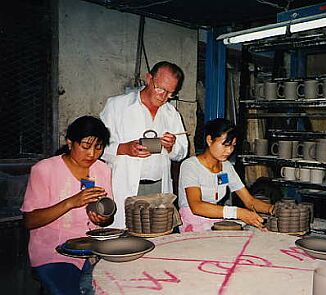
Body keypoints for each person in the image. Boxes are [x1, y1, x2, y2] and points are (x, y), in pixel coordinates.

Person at [21, 116, 113, 294]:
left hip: (91, 251)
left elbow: (106, 219)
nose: (92, 154)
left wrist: (103, 219)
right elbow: (29, 221)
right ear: (70, 143)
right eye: (86, 146)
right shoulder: (45, 169)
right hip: (53, 252)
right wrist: (72, 202)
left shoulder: (103, 169)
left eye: (98, 147)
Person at [100, 61, 188, 228]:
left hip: (158, 187)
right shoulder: (117, 106)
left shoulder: (171, 114)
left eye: (170, 93)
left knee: (156, 236)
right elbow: (98, 147)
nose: (163, 97)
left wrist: (171, 147)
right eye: (160, 89)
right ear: (149, 78)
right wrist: (124, 148)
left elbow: (182, 152)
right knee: (124, 236)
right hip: (126, 186)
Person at [178, 118, 274, 232]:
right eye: (225, 145)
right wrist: (238, 212)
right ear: (209, 140)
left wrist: (272, 209)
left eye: (232, 145)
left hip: (215, 222)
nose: (229, 151)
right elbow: (196, 206)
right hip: (192, 226)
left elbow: (249, 201)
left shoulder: (226, 166)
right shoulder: (190, 166)